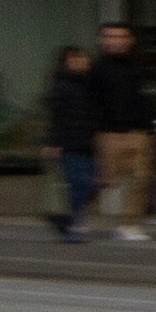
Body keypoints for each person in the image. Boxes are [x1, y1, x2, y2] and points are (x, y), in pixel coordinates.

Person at [87, 19, 156, 242]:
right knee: (105, 179)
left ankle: (129, 223)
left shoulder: (138, 66)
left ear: (129, 40)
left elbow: (145, 97)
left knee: (141, 177)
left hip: (137, 131)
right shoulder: (95, 68)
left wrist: (147, 122)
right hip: (108, 132)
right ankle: (78, 212)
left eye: (120, 37)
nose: (115, 41)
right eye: (110, 37)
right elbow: (89, 100)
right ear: (102, 40)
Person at [42, 44, 101, 243]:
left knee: (88, 185)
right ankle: (69, 223)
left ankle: (68, 219)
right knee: (79, 184)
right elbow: (56, 116)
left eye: (82, 58)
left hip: (86, 142)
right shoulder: (61, 85)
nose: (81, 62)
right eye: (74, 59)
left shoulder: (88, 84)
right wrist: (54, 141)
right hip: (70, 143)